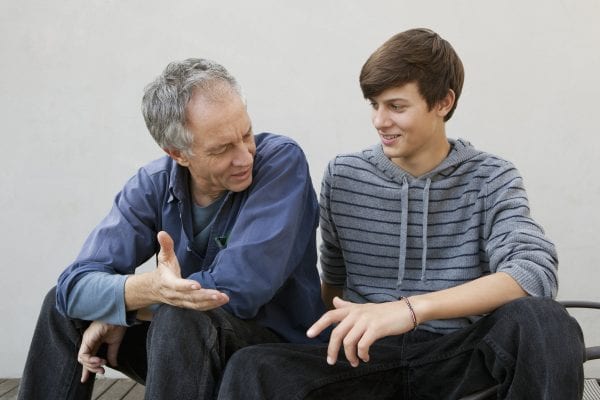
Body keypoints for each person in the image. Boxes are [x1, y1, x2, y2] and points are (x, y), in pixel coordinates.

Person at [217, 28, 586, 399]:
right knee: (253, 366)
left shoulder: (491, 177)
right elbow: (334, 282)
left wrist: (410, 310)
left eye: (396, 106)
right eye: (374, 104)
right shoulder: (343, 175)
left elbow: (533, 271)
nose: (380, 121)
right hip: (366, 360)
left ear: (442, 102)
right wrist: (362, 325)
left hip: (459, 355)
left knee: (547, 321)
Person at [18, 58, 325, 400]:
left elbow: (237, 289)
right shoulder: (153, 184)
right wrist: (145, 291)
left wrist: (128, 308)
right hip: (182, 351)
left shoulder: (281, 162)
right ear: (178, 153)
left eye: (246, 133)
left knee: (181, 315)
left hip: (270, 357)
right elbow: (73, 288)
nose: (244, 157)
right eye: (222, 149)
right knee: (62, 310)